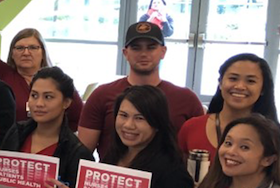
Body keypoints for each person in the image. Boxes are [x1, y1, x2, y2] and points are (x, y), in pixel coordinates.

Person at [77, 22, 203, 155]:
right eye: (136, 48)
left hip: (167, 174)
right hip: (113, 173)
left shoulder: (186, 99)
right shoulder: (102, 95)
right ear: (125, 53)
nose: (143, 54)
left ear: (163, 51)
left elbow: (199, 156)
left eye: (151, 47)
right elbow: (83, 154)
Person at [178, 53, 280, 180]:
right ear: (220, 83)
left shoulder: (277, 134)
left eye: (250, 81)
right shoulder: (192, 127)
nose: (240, 86)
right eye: (233, 78)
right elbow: (177, 175)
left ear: (263, 89)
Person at [0, 0, 83, 130]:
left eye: (33, 48)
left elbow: (80, 119)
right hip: (11, 147)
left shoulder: (59, 81)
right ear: (12, 53)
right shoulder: (4, 74)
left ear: (43, 52)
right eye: (20, 48)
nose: (26, 52)